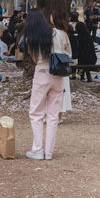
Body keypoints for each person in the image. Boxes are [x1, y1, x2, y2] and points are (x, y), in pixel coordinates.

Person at [23, 9, 64, 161]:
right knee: (53, 115)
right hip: (58, 75)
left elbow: (34, 58)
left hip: (41, 73)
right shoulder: (56, 33)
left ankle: (37, 149)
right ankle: (49, 152)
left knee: (36, 113)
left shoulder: (31, 37)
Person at [50, 9, 73, 118]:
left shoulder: (50, 33)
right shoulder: (64, 34)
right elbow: (69, 52)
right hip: (62, 64)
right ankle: (59, 115)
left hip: (51, 64)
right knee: (62, 90)